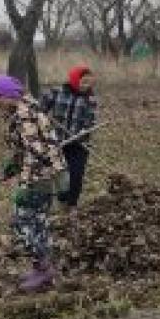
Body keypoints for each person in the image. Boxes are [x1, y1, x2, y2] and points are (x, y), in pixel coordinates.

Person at [0, 74, 67, 293]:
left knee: (21, 223)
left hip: (39, 177)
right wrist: (12, 164)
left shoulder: (25, 116)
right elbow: (27, 149)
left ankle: (43, 268)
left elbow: (38, 153)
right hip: (47, 175)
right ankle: (43, 268)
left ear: (11, 95)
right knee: (38, 223)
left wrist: (25, 184)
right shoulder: (26, 110)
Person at [40, 65, 97, 211]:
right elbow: (39, 110)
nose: (86, 86)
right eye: (83, 82)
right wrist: (43, 117)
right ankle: (60, 201)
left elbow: (90, 122)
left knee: (76, 175)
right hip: (57, 142)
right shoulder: (56, 92)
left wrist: (83, 133)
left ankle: (72, 205)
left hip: (78, 144)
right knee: (58, 174)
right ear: (74, 79)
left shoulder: (90, 99)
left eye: (89, 83)